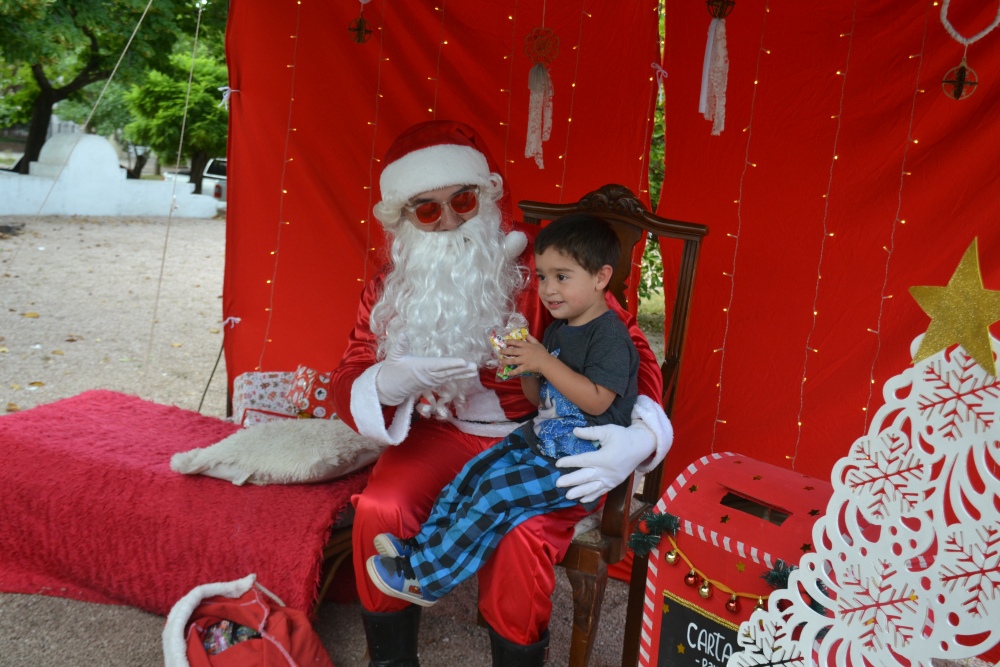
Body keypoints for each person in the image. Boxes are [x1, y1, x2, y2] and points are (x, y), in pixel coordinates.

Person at [330, 120, 673, 666]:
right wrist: (388, 380)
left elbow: (631, 345)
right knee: (379, 508)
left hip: (536, 436)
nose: (448, 221)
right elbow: (348, 375)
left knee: (520, 540)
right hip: (441, 434)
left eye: (462, 199)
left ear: (486, 195)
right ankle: (391, 660)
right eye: (426, 209)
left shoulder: (545, 269)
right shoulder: (389, 288)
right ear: (404, 219)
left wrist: (642, 435)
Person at [364, 214, 640, 608]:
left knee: (495, 492)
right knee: (473, 474)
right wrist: (524, 366)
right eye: (542, 277)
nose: (548, 289)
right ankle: (419, 549)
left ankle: (425, 579)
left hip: (582, 461)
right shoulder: (559, 329)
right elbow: (537, 399)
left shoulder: (609, 335)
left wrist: (544, 361)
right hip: (542, 441)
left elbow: (597, 400)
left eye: (562, 277)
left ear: (600, 278)